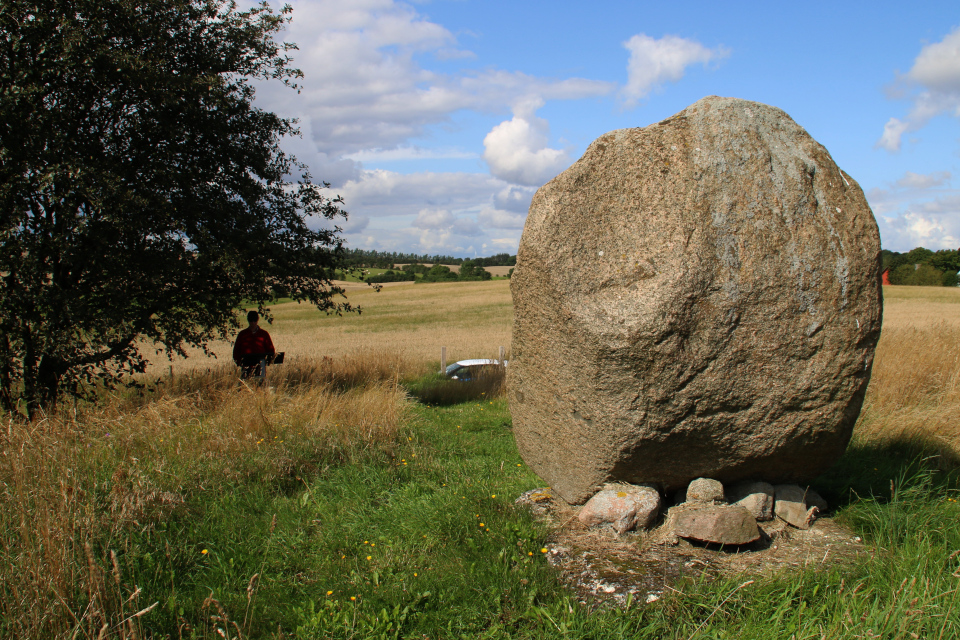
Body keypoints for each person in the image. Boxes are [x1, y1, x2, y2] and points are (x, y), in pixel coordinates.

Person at [233, 310, 276, 381]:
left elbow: (270, 350)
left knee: (260, 383)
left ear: (257, 320)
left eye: (255, 320)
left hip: (260, 364)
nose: (253, 322)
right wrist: (240, 363)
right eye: (251, 320)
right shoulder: (242, 334)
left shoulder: (264, 334)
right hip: (246, 364)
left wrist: (268, 361)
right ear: (248, 320)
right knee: (246, 383)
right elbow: (236, 351)